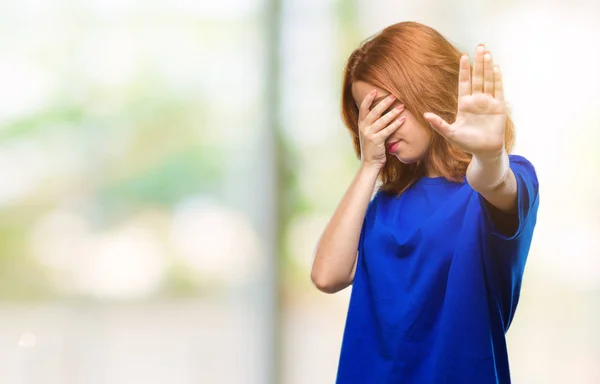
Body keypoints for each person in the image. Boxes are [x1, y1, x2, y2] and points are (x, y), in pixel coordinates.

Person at [310, 21, 539, 384]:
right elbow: (327, 275)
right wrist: (370, 164)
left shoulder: (502, 184)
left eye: (388, 109)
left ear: (426, 89)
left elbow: (492, 182)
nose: (380, 128)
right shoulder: (384, 205)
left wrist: (490, 155)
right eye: (368, 114)